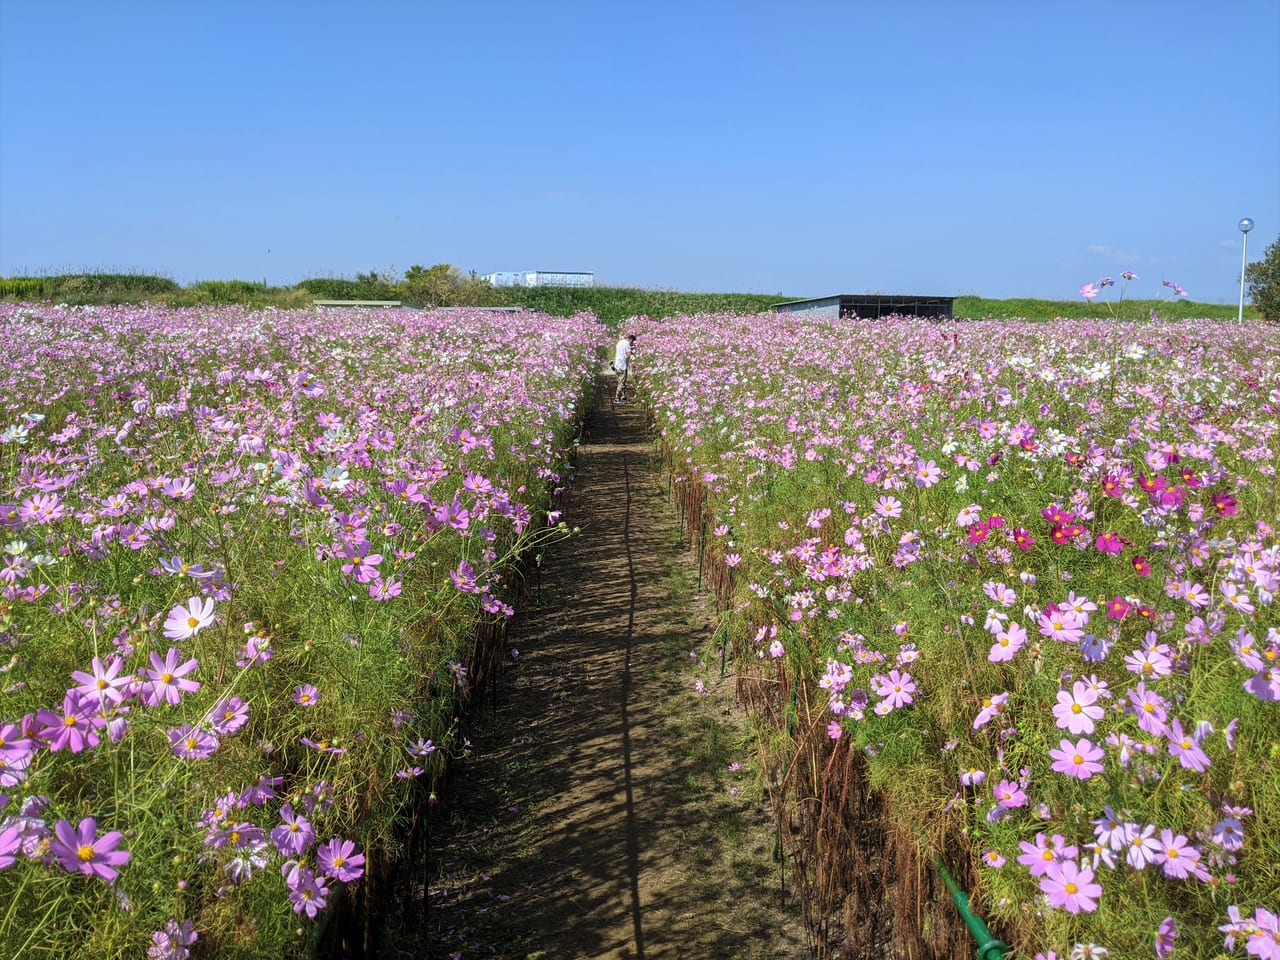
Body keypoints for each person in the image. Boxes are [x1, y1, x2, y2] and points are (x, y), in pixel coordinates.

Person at [612, 333, 636, 402]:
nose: (632, 344)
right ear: (631, 340)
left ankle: (623, 396)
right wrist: (633, 351)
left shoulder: (620, 342)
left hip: (617, 364)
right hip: (623, 365)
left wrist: (630, 348)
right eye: (632, 342)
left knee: (620, 382)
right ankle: (617, 398)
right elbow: (628, 354)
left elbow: (622, 351)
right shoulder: (627, 344)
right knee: (622, 383)